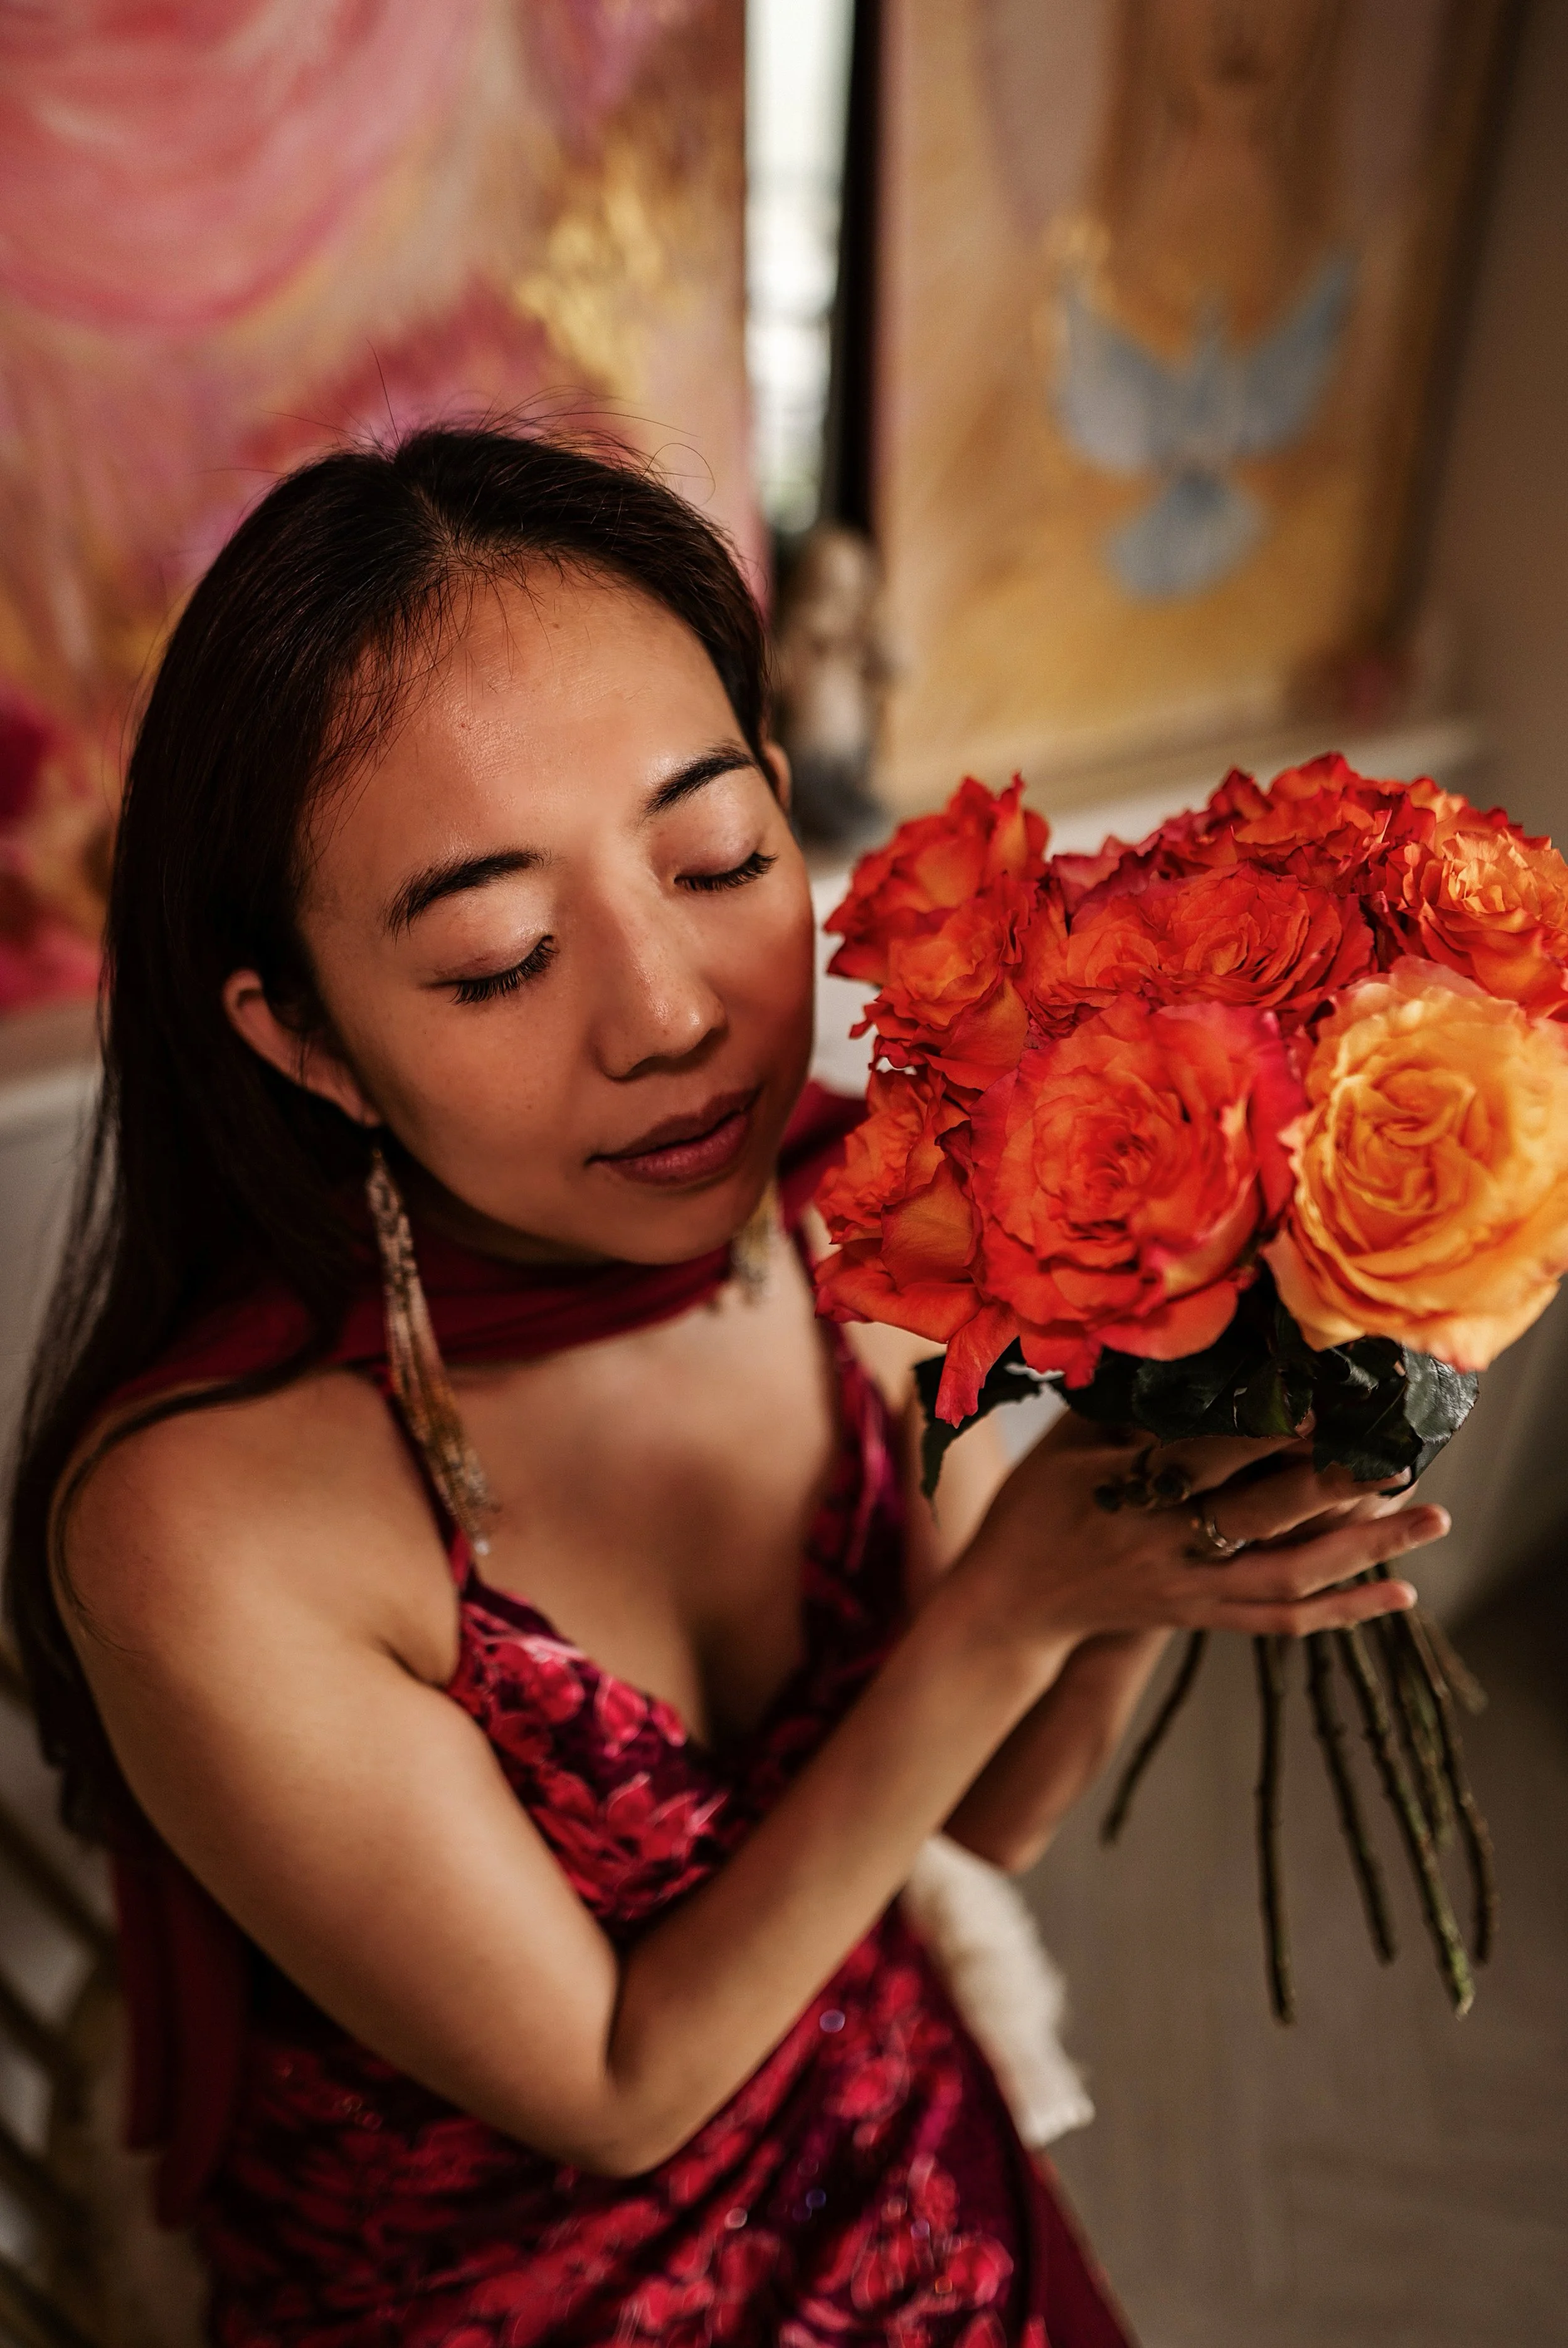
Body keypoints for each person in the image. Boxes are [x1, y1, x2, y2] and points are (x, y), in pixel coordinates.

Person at [6, 428, 1444, 2345]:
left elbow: (990, 1805)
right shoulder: (200, 1517)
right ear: (309, 1038)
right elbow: (609, 2086)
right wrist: (1019, 1595)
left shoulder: (852, 1209)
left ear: (784, 802)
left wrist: (1160, 1479)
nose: (673, 1010)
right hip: (496, 2282)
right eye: (501, 959)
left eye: (714, 856)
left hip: (891, 2133)